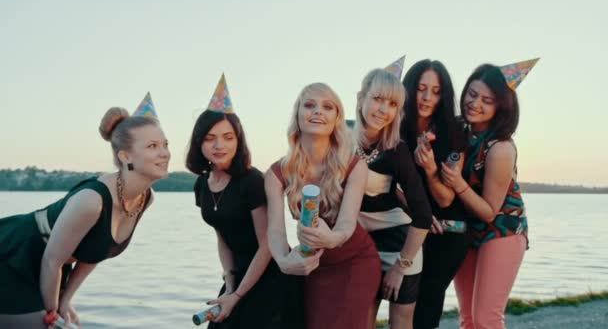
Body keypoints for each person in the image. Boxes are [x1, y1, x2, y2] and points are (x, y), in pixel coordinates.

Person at [0, 93, 170, 328]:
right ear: (125, 156)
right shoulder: (92, 200)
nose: (165, 153)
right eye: (153, 146)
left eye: (165, 144)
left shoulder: (145, 199)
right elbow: (51, 261)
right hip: (15, 254)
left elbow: (95, 251)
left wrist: (66, 299)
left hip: (50, 267)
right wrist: (52, 312)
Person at [186, 74, 301, 328]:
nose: (219, 145)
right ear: (199, 142)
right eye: (210, 138)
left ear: (238, 141)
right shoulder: (201, 185)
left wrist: (237, 295)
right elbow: (222, 236)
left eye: (228, 137)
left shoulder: (252, 181)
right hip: (238, 274)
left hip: (271, 275)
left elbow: (267, 245)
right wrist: (229, 283)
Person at [265, 82, 380, 329]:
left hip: (355, 263)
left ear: (336, 119)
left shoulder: (354, 166)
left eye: (327, 107)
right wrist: (284, 261)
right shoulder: (276, 173)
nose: (318, 111)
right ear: (298, 115)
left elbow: (347, 223)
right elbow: (274, 231)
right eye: (309, 105)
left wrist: (331, 239)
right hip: (312, 267)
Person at [441, 59, 538, 328]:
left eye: (487, 100)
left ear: (501, 107)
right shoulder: (458, 128)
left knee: (487, 318)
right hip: (466, 230)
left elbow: (488, 211)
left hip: (502, 230)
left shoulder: (501, 148)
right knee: (469, 319)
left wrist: (458, 183)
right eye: (472, 94)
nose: (476, 104)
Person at [352, 59, 432, 329]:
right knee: (360, 321)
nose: (384, 110)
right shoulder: (338, 137)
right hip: (357, 245)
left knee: (401, 324)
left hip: (399, 245)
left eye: (393, 104)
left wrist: (401, 266)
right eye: (377, 99)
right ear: (361, 98)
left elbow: (423, 215)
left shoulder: (397, 151)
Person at [400, 59, 470, 329]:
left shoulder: (453, 134)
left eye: (436, 91)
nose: (428, 97)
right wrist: (417, 213)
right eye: (421, 88)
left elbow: (446, 199)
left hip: (447, 232)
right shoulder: (394, 130)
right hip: (411, 226)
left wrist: (430, 170)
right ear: (408, 88)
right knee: (401, 304)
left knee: (427, 304)